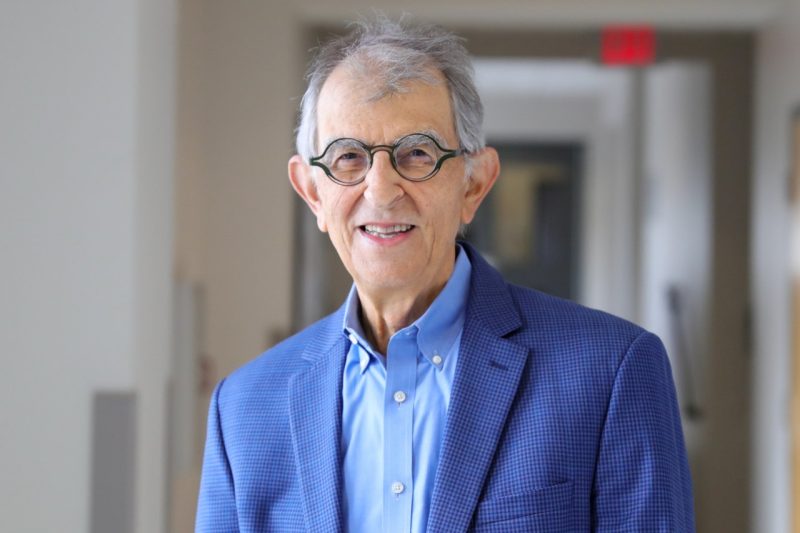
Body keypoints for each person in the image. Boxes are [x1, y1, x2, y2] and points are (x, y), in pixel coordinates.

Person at [195, 16, 695, 533]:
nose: (382, 191)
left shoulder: (611, 372)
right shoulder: (244, 409)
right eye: (348, 158)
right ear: (313, 192)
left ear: (475, 184)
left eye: (417, 154)